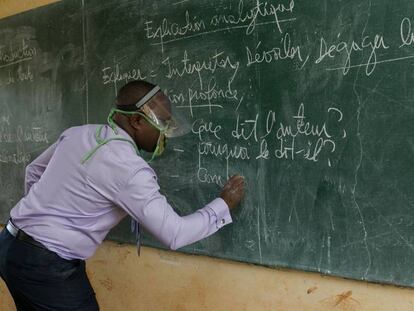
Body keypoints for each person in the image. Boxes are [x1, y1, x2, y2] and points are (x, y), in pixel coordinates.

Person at [0, 80, 245, 311]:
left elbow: (34, 171)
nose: (166, 133)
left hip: (10, 245)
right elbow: (175, 233)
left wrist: (42, 220)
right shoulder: (128, 167)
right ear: (137, 121)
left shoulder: (79, 133)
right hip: (45, 264)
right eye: (162, 122)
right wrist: (223, 204)